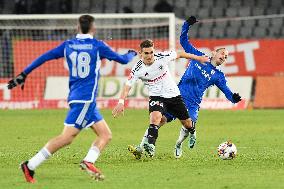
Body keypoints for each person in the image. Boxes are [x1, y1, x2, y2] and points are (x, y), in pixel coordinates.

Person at [7, 14, 137, 183]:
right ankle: (30, 165)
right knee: (67, 137)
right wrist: (131, 53)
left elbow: (44, 57)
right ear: (93, 28)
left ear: (77, 27)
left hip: (77, 97)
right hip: (85, 100)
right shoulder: (98, 46)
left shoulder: (67, 45)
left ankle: (88, 162)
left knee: (105, 135)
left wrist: (24, 73)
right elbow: (121, 59)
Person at [112, 39, 209, 159]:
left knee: (188, 123)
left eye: (151, 52)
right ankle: (151, 146)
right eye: (146, 53)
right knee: (155, 118)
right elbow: (127, 86)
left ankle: (193, 132)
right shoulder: (137, 69)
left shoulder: (162, 57)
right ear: (140, 53)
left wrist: (198, 58)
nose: (149, 56)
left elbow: (180, 54)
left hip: (174, 96)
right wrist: (121, 102)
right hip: (156, 96)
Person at [163, 16, 242, 158]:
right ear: (214, 53)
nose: (224, 57)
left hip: (193, 104)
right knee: (161, 120)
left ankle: (178, 144)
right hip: (177, 96)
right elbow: (183, 41)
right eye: (223, 53)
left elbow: (227, 92)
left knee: (188, 126)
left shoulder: (219, 76)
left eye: (226, 57)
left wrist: (234, 99)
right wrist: (187, 25)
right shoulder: (199, 56)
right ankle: (147, 141)